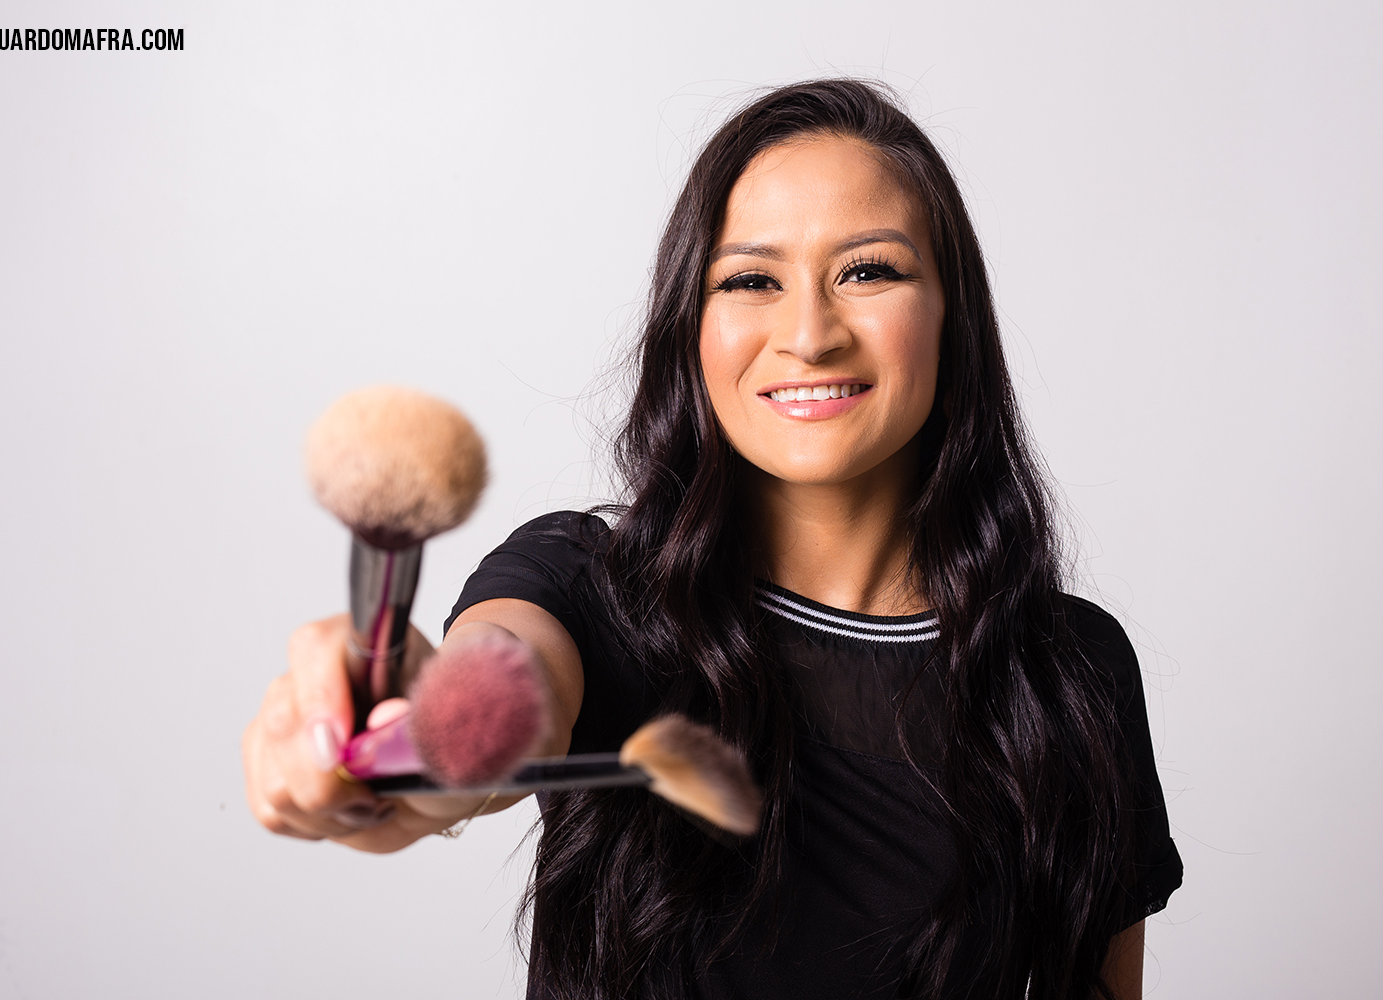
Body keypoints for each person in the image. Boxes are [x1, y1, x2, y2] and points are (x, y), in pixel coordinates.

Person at [243, 79, 1182, 1000]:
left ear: (953, 316)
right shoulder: (587, 586)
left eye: (868, 271)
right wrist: (412, 728)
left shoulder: (1074, 671)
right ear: (693, 328)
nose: (809, 335)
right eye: (751, 280)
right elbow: (503, 688)